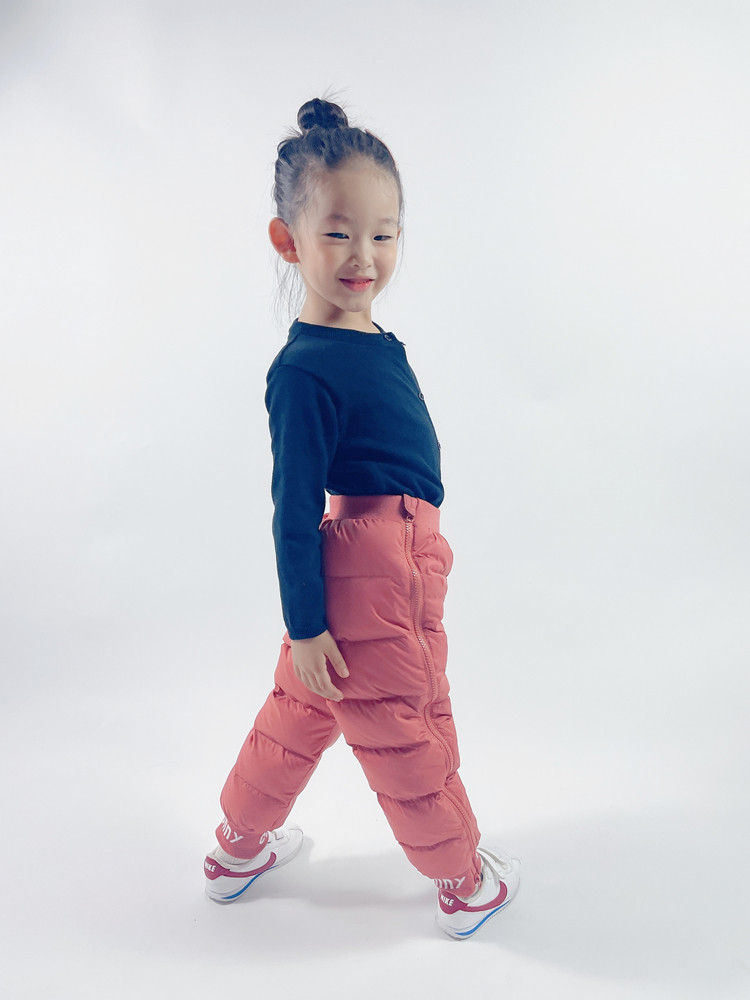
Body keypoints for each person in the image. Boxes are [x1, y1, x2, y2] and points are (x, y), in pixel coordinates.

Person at [203, 97, 520, 940]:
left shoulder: (364, 335)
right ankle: (462, 882)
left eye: (384, 234)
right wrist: (306, 625)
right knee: (403, 722)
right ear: (289, 241)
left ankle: (237, 850)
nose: (364, 256)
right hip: (376, 563)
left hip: (376, 560)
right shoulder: (304, 371)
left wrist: (315, 627)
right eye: (339, 233)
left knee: (299, 713)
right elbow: (292, 510)